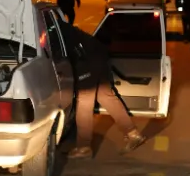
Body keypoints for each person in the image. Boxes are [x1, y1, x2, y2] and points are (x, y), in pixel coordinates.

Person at [62, 23, 146, 158]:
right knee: (106, 96)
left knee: (84, 103)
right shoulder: (59, 25)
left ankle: (83, 147)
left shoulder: (46, 27)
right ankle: (133, 134)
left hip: (86, 61)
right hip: (98, 54)